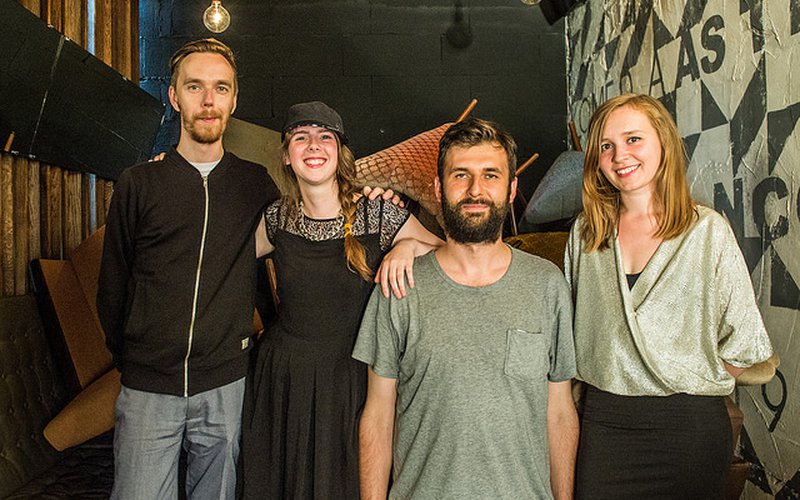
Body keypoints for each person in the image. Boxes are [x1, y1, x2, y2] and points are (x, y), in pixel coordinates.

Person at [353, 118, 579, 500]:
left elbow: (559, 413)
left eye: (491, 175)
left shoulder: (547, 285)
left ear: (511, 189)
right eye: (461, 175)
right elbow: (377, 415)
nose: (476, 189)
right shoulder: (400, 286)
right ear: (439, 188)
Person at [565, 93, 774, 499]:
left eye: (633, 139)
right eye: (606, 145)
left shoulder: (707, 230)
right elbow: (572, 327)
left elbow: (745, 339)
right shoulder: (586, 233)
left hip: (688, 428)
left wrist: (688, 377)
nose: (619, 155)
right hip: (604, 424)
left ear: (663, 141)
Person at [96, 38, 279, 499]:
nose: (208, 100)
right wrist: (133, 358)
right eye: (195, 87)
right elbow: (113, 283)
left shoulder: (255, 184)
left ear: (234, 100)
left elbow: (297, 242)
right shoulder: (139, 183)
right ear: (174, 96)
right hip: (148, 387)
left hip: (225, 384)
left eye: (221, 88)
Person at [239, 101, 442, 499]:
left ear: (340, 152)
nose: (313, 145)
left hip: (354, 377)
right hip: (285, 378)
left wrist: (408, 246)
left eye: (325, 137)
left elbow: (446, 254)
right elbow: (227, 261)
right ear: (287, 155)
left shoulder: (378, 214)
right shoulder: (277, 217)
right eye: (301, 137)